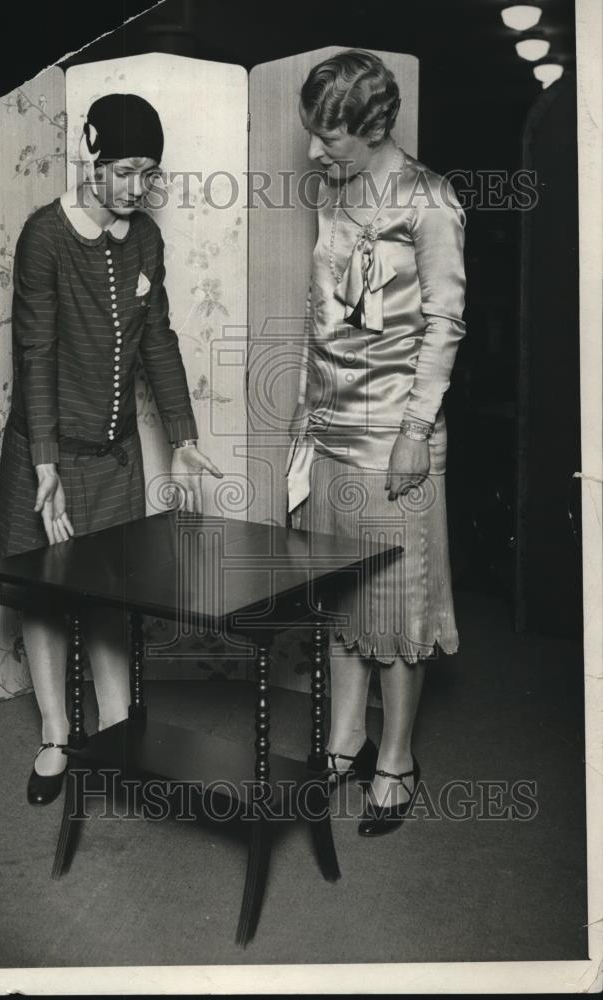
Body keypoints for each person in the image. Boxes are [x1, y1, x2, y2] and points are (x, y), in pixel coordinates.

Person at [0, 93, 222, 805]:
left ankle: (120, 728)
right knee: (42, 594)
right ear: (89, 157)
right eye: (122, 169)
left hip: (117, 456)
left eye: (146, 172)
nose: (133, 187)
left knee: (109, 596)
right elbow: (35, 352)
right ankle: (57, 736)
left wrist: (182, 437)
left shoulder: (146, 238)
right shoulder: (45, 236)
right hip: (49, 454)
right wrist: (45, 463)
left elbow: (158, 340)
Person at [286, 50, 467, 835]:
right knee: (342, 601)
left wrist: (414, 432)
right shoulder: (336, 191)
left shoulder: (430, 201)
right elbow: (321, 311)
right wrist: (303, 411)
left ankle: (395, 757)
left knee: (397, 609)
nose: (315, 153)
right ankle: (345, 738)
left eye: (329, 138)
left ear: (374, 125)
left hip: (395, 434)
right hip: (329, 431)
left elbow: (444, 324)